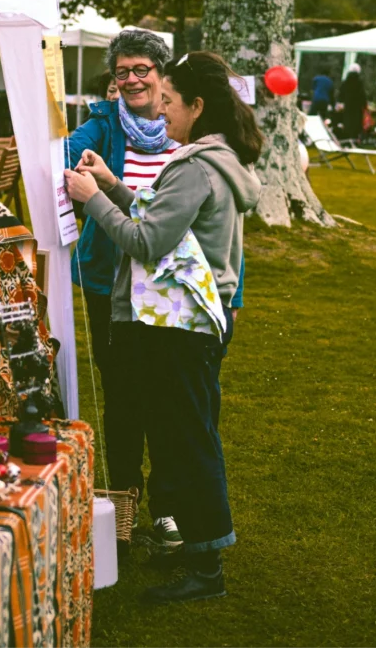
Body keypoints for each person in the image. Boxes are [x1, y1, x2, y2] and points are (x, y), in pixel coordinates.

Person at [64, 51, 261, 605]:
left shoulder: (196, 166)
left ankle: (207, 566)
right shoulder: (213, 161)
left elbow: (146, 243)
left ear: (198, 107)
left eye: (170, 102)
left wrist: (94, 200)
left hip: (181, 328)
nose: (163, 113)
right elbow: (163, 221)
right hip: (191, 326)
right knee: (186, 439)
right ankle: (200, 554)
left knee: (189, 444)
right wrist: (113, 183)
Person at [65, 30, 182, 554]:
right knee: (121, 394)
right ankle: (122, 503)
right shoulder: (102, 125)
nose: (132, 79)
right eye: (122, 72)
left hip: (172, 283)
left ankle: (169, 505)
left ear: (161, 76)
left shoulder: (184, 124)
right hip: (108, 283)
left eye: (142, 70)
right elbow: (58, 161)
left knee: (170, 395)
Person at [338, 64, 366, 140]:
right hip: (357, 106)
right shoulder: (359, 82)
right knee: (356, 122)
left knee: (348, 121)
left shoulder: (345, 82)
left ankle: (347, 137)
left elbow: (341, 93)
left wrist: (340, 102)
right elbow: (362, 94)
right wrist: (364, 104)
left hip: (348, 105)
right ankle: (355, 138)